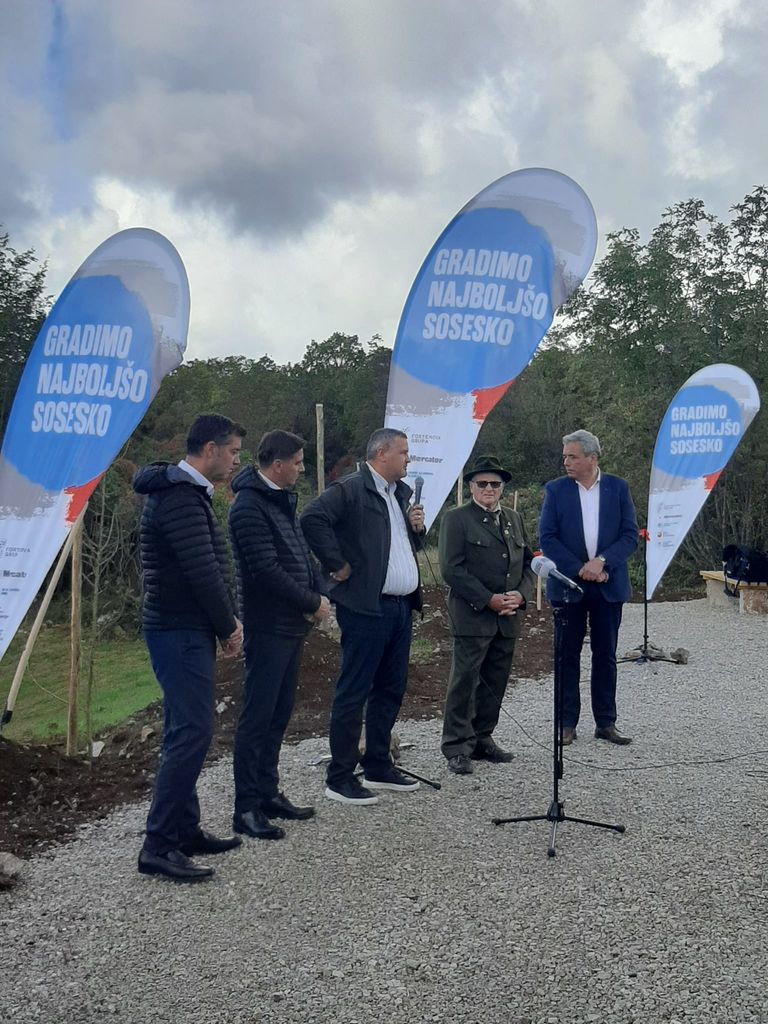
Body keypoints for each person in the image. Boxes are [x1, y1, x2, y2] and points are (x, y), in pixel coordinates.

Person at [133, 414, 245, 882]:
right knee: (193, 731)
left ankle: (183, 829)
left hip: (185, 629)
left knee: (184, 728)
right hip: (177, 630)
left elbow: (211, 567)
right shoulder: (180, 497)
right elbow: (202, 572)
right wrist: (228, 627)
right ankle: (158, 845)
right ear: (211, 449)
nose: (236, 460)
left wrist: (221, 622)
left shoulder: (188, 492)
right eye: (233, 451)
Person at [301, 428, 425, 805]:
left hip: (400, 607)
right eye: (403, 452)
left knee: (390, 688)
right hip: (366, 608)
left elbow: (398, 547)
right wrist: (336, 564)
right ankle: (340, 776)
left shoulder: (398, 494)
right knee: (354, 691)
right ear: (382, 453)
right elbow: (311, 519)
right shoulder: (351, 489)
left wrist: (417, 529)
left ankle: (378, 764)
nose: (408, 459)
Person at [229, 430, 330, 839]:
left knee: (279, 711)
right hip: (267, 625)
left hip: (290, 625)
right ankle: (246, 807)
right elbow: (266, 570)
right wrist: (311, 601)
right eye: (298, 462)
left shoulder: (280, 501)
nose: (302, 469)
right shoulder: (248, 507)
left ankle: (268, 792)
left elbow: (300, 556)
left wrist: (319, 590)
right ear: (277, 465)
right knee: (258, 716)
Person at [539, 429, 638, 746]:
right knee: (566, 656)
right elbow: (547, 537)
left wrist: (603, 562)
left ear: (592, 458)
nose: (566, 462)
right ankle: (566, 723)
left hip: (608, 585)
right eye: (565, 456)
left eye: (573, 456)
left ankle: (606, 722)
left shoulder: (618, 488)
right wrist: (581, 568)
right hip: (568, 587)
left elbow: (629, 536)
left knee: (605, 654)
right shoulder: (556, 490)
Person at [438, 455, 535, 775]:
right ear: (471, 487)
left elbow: (528, 563)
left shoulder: (513, 518)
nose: (489, 489)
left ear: (503, 487)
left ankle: (482, 737)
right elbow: (451, 568)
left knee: (496, 680)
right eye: (482, 484)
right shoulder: (457, 519)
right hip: (473, 615)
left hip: (507, 616)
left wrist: (521, 595)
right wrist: (488, 599)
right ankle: (456, 746)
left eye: (495, 483)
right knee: (464, 682)